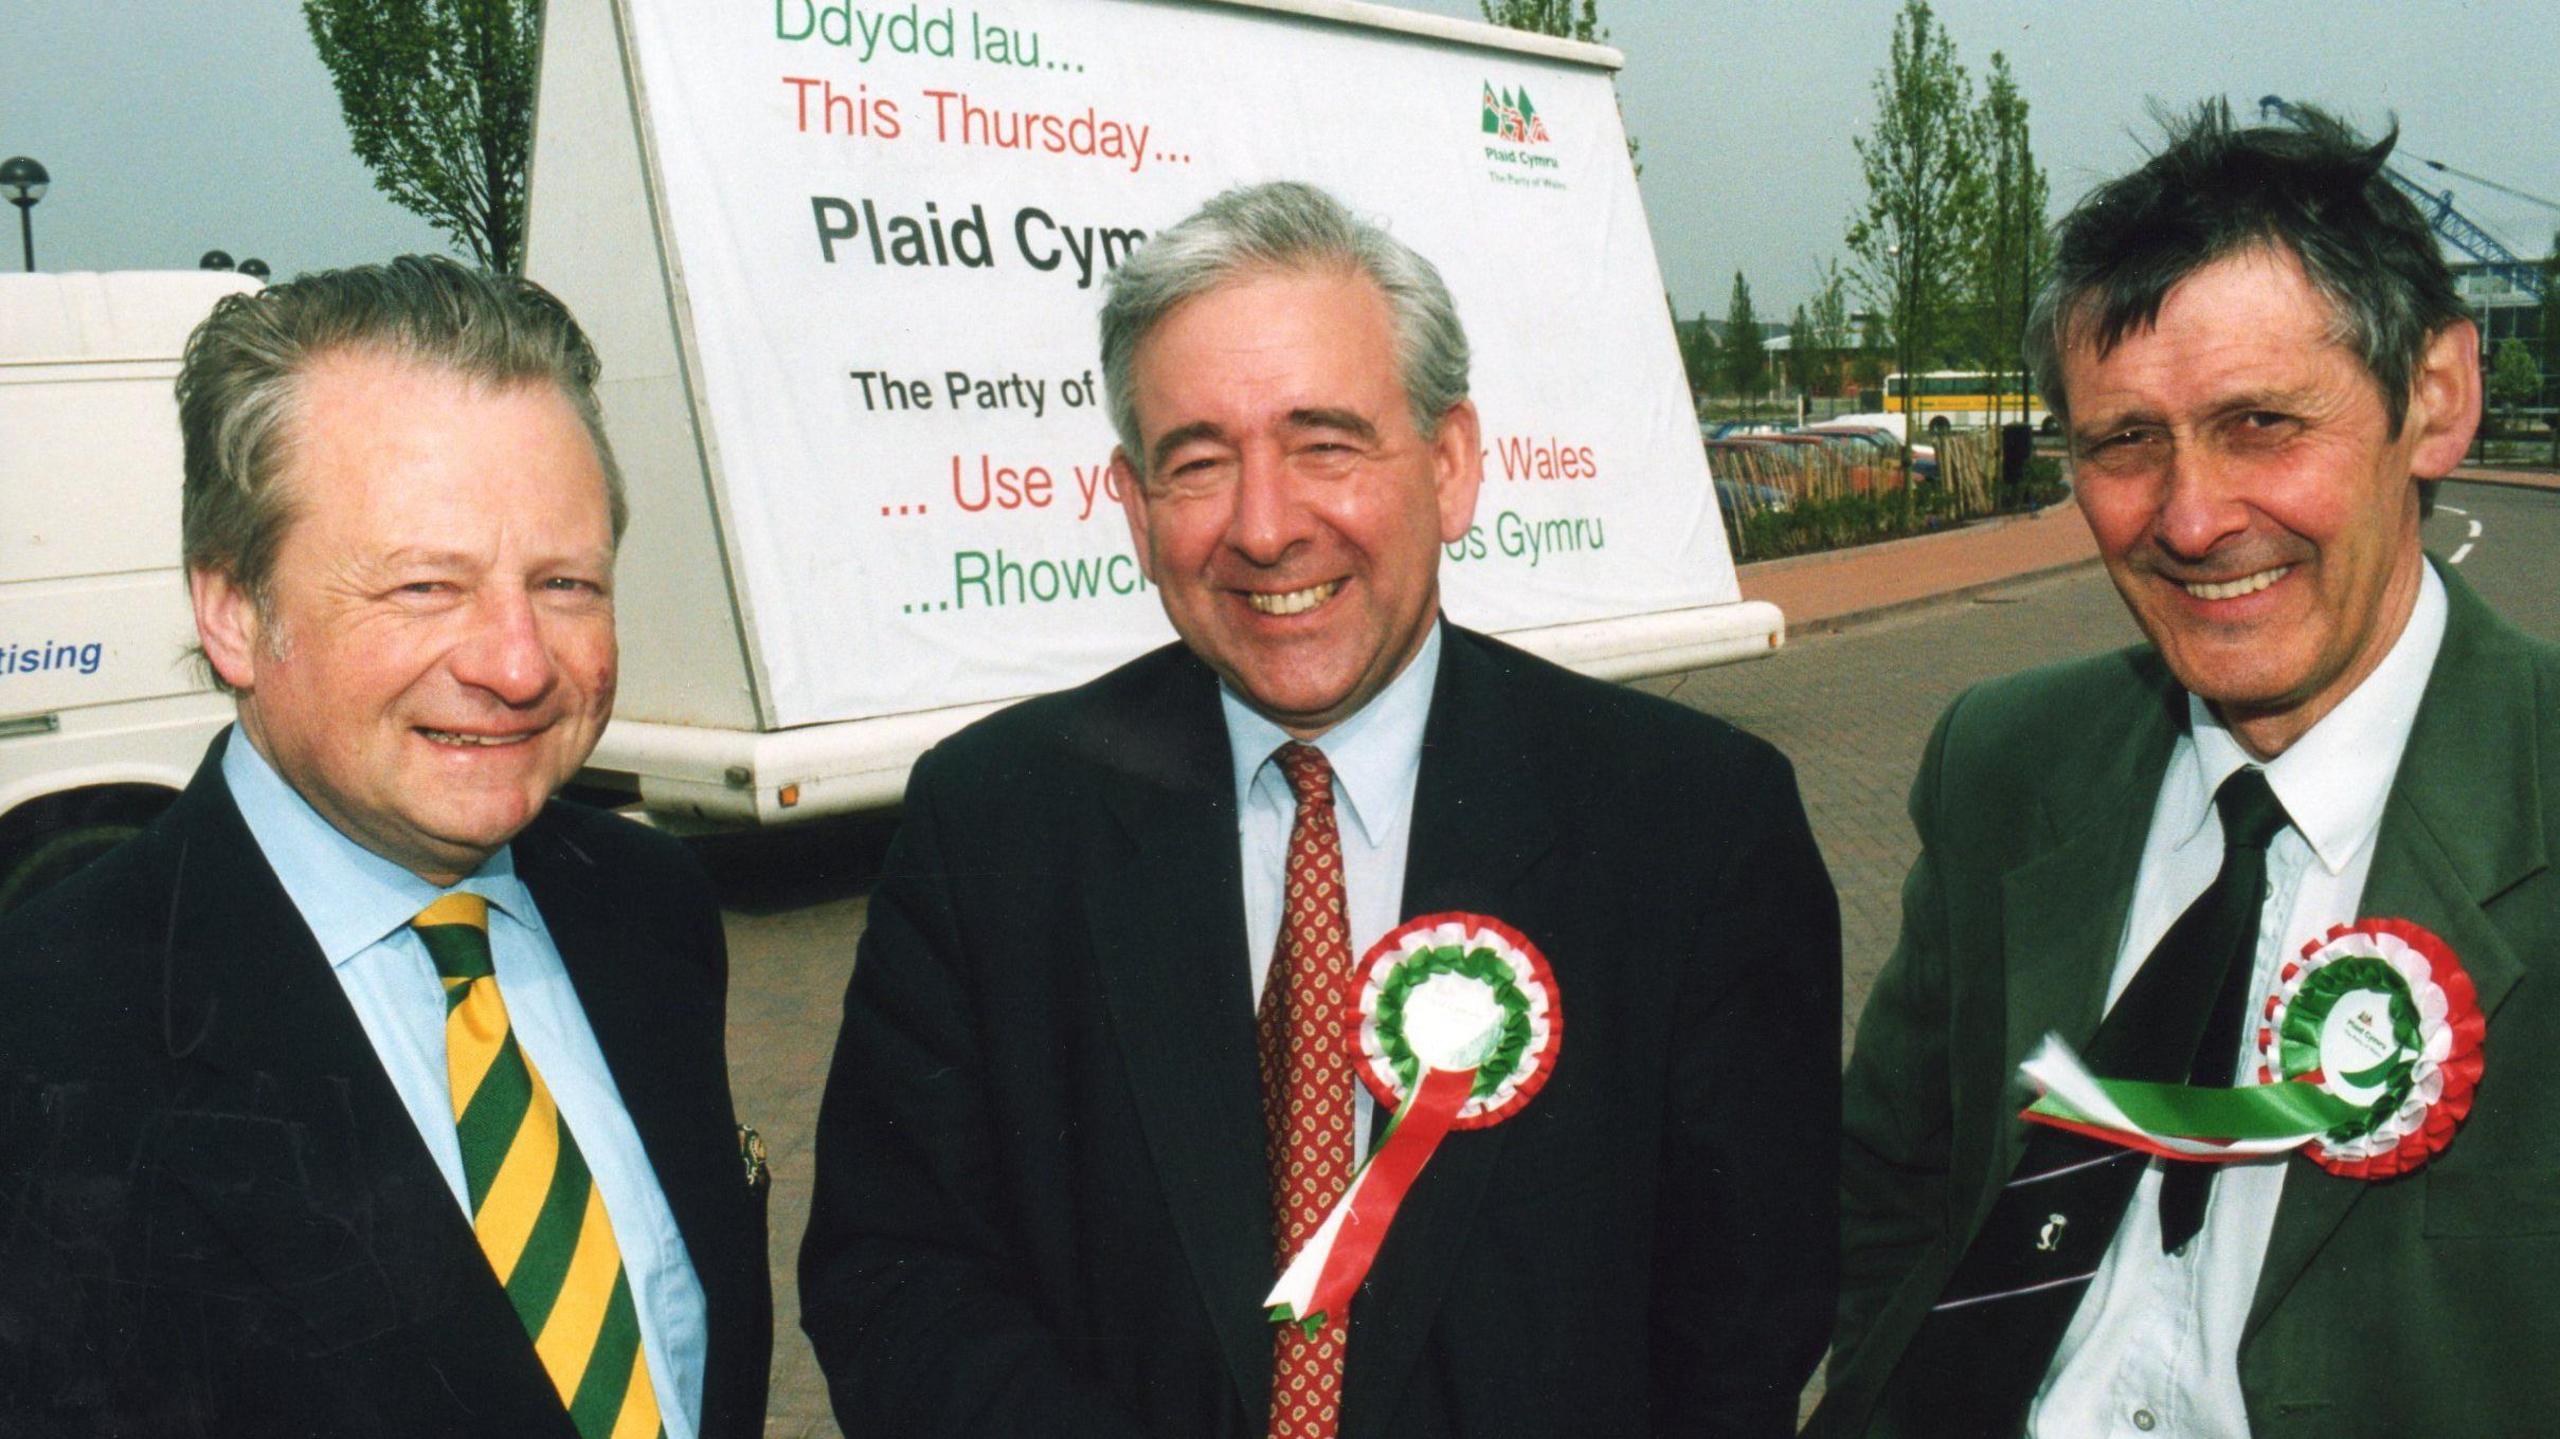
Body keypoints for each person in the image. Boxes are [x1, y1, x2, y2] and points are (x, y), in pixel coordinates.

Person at [797, 180, 1840, 1437]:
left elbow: (1743, 1328)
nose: (1264, 524)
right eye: (1197, 461)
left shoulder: (1693, 824)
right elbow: (896, 1277)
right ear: (1131, 507)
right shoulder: (991, 824)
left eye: (1324, 443)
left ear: (1449, 467)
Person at [1817, 101, 2560, 1437]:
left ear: (2436, 397)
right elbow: (1893, 1192)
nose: (2193, 517)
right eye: (2125, 442)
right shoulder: (2003, 760)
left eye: (2264, 422)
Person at [0, 256, 771, 1438]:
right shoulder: (44, 1030)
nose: (517, 663)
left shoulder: (647, 900)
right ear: (234, 611)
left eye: (564, 581)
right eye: (423, 585)